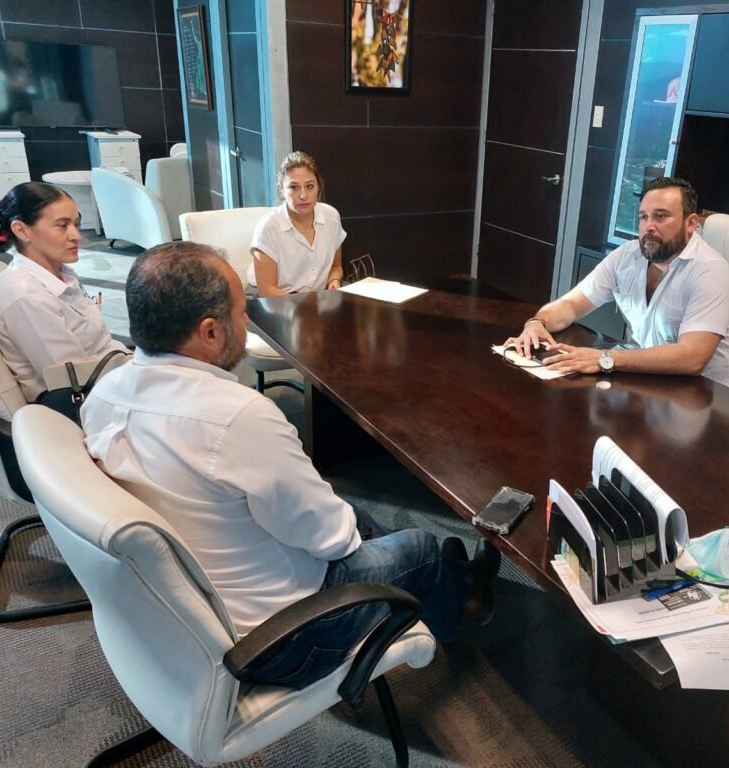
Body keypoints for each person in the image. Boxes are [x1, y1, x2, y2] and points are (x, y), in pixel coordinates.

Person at [81, 241, 501, 689]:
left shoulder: (104, 393)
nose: (246, 322)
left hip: (200, 600)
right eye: (241, 312)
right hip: (283, 638)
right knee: (417, 547)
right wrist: (349, 530)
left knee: (348, 511)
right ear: (210, 332)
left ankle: (453, 578)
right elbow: (333, 540)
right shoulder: (236, 418)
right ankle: (457, 608)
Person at [507, 177, 729, 388]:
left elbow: (692, 358)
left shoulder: (710, 271)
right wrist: (537, 323)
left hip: (704, 394)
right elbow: (571, 304)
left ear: (690, 223)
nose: (648, 226)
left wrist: (606, 358)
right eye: (643, 217)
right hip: (643, 377)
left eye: (661, 216)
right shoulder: (627, 256)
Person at [0, 181, 128, 402]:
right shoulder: (25, 295)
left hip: (105, 375)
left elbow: (99, 345)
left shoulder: (61, 274)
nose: (76, 236)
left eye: (76, 224)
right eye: (62, 225)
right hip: (80, 399)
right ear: (21, 230)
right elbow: (72, 377)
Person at [249, 151, 346, 296]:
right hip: (277, 303)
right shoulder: (268, 226)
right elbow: (267, 291)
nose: (303, 195)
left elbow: (336, 267)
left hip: (318, 301)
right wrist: (305, 307)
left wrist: (334, 280)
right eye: (294, 187)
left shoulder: (331, 217)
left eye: (309, 186)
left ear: (318, 186)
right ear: (282, 190)